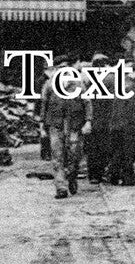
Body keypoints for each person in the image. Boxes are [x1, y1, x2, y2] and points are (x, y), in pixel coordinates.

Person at [40, 56, 87, 199]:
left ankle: (72, 175)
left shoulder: (79, 85)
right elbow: (44, 105)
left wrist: (88, 121)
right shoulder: (49, 85)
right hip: (55, 125)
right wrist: (42, 126)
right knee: (57, 156)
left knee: (75, 153)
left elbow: (87, 103)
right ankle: (61, 187)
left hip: (74, 125)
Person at [107, 61, 135, 185]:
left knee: (118, 151)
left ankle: (113, 176)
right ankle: (127, 179)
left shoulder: (121, 82)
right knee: (129, 152)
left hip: (116, 123)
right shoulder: (133, 87)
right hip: (128, 125)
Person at [84, 53, 113, 184]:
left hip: (92, 118)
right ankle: (102, 172)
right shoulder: (111, 79)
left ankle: (93, 175)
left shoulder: (88, 80)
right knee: (104, 147)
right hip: (106, 118)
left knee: (92, 149)